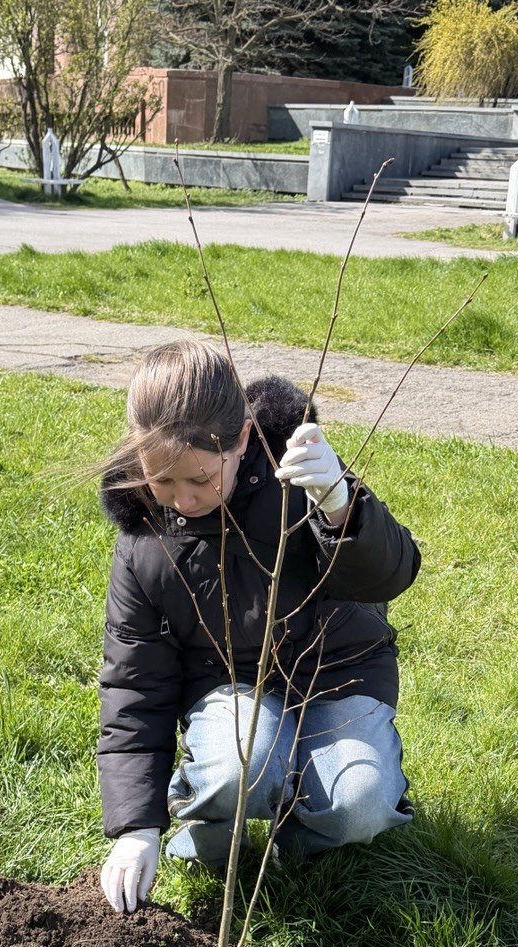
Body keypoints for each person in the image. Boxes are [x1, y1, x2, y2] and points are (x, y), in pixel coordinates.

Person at [94, 339, 420, 913]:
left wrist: (342, 507)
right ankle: (211, 846)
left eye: (199, 480)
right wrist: (135, 827)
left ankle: (290, 852)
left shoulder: (299, 476)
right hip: (228, 683)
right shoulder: (144, 540)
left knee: (359, 805)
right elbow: (135, 687)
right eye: (162, 482)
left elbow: (391, 575)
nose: (183, 499)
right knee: (236, 773)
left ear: (242, 439)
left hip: (335, 672)